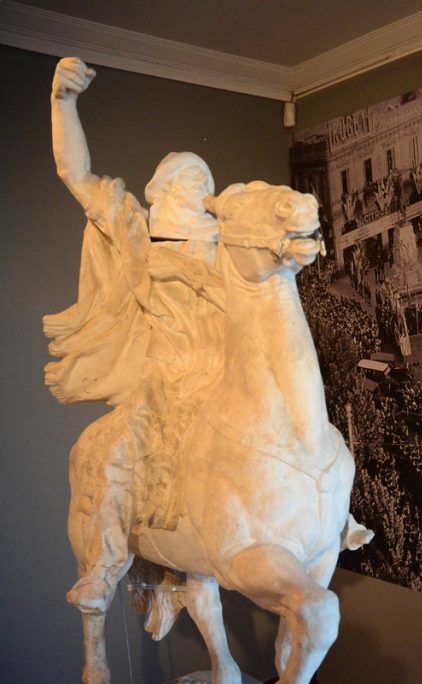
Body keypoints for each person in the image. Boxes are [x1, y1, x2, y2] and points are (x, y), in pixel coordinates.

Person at [48, 57, 223, 615]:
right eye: (191, 180)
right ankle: (102, 569)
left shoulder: (227, 247)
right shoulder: (137, 233)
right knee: (118, 452)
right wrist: (63, 102)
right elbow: (76, 176)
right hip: (165, 381)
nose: (202, 190)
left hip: (225, 377)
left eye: (206, 183)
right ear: (163, 190)